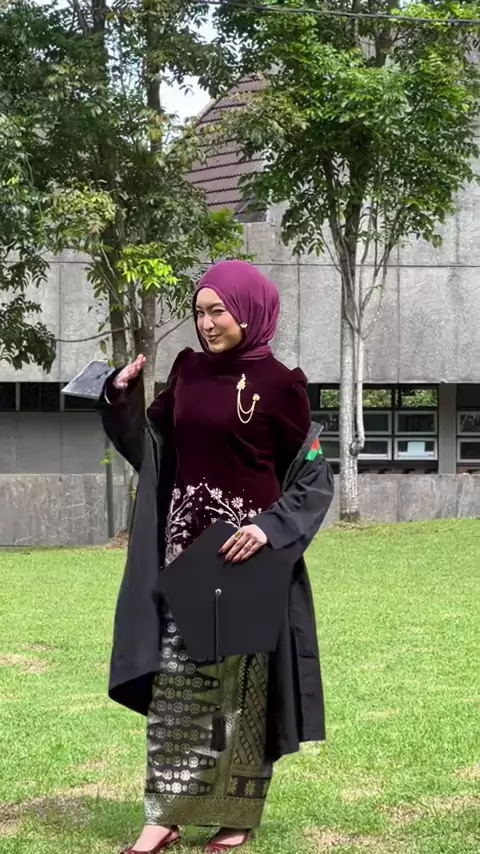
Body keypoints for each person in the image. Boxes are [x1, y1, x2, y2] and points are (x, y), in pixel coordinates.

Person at [100, 260, 334, 854]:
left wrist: (269, 528)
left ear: (248, 313)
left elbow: (312, 475)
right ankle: (163, 817)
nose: (206, 324)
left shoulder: (281, 385)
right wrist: (120, 398)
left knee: (242, 696)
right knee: (178, 690)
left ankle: (236, 817)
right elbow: (153, 447)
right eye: (200, 313)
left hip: (248, 562)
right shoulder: (188, 372)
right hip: (187, 558)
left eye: (218, 312)